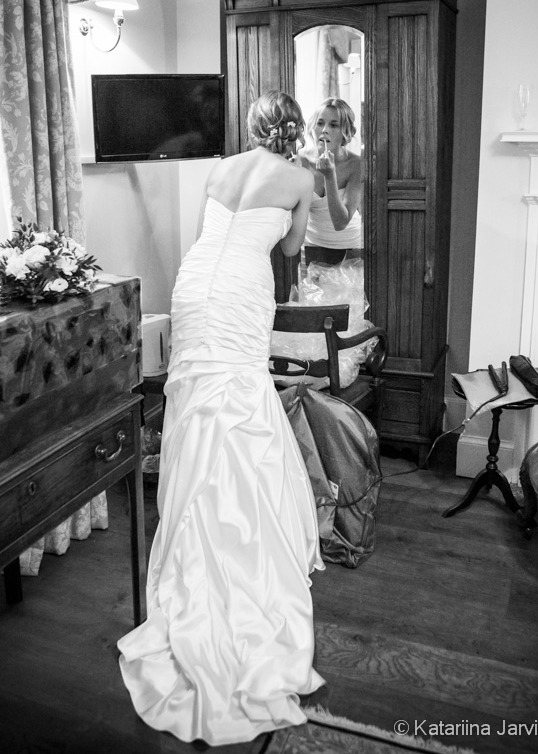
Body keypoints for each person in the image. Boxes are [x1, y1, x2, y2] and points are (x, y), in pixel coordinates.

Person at [117, 91, 325, 745]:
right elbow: (290, 251)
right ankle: (241, 557)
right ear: (291, 130)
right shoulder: (302, 177)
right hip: (238, 290)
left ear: (251, 128)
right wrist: (304, 186)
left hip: (195, 283)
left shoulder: (219, 167)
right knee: (239, 406)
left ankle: (197, 540)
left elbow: (211, 232)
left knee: (203, 407)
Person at [299, 97, 362, 265]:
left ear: (345, 132)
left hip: (349, 247)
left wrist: (330, 176)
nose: (324, 130)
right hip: (310, 245)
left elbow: (340, 222)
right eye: (320, 123)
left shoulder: (356, 164)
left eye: (334, 125)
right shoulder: (300, 160)